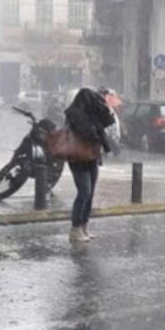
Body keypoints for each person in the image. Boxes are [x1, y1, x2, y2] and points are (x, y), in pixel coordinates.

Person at [64, 87, 115, 242]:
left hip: (91, 157)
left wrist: (108, 111)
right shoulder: (74, 115)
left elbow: (104, 125)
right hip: (78, 159)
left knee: (90, 193)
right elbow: (89, 132)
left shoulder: (90, 114)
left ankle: (84, 227)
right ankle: (75, 228)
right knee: (84, 192)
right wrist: (97, 129)